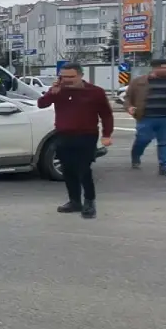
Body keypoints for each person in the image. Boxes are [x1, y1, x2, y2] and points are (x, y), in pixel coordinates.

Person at [37, 63, 113, 219]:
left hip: (86, 136)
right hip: (63, 135)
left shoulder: (95, 92)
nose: (67, 80)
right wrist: (52, 93)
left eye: (71, 77)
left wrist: (107, 134)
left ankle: (89, 202)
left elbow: (106, 114)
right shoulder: (58, 91)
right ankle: (75, 201)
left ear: (80, 75)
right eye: (63, 77)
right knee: (68, 170)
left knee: (84, 169)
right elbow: (41, 104)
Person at [124, 58, 166, 177]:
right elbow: (128, 98)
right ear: (155, 68)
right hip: (146, 117)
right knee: (143, 139)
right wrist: (129, 107)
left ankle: (165, 167)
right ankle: (136, 155)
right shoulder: (139, 81)